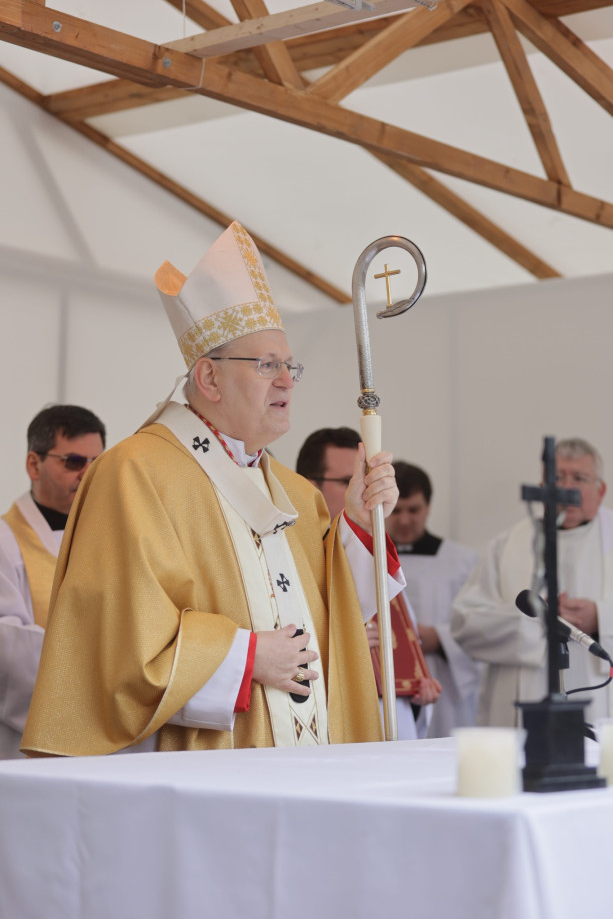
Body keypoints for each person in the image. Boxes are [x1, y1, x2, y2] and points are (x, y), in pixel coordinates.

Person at [22, 222, 402, 757]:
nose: (287, 380)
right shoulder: (134, 472)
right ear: (208, 379)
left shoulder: (296, 493)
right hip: (204, 763)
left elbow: (335, 619)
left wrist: (360, 520)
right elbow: (114, 648)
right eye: (267, 365)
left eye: (289, 365)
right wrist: (245, 658)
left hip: (308, 760)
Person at [451, 437, 613, 728]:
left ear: (601, 490)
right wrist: (537, 620)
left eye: (579, 478)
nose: (567, 488)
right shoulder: (506, 544)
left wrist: (601, 618)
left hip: (601, 702)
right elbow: (465, 624)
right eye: (558, 478)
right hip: (522, 703)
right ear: (542, 488)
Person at [297, 428, 441, 739]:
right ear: (311, 486)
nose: (362, 490)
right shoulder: (296, 556)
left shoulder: (373, 555)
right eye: (348, 481)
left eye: (366, 479)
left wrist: (418, 693)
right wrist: (345, 642)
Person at [0, 405, 106, 759]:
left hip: (108, 733)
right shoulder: (5, 541)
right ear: (34, 464)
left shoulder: (115, 537)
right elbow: (10, 650)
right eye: (74, 462)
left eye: (96, 463)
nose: (87, 474)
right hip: (28, 740)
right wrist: (103, 669)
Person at [385, 462, 480, 737]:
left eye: (413, 510)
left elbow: (480, 626)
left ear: (428, 507)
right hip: (387, 683)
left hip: (445, 685)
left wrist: (440, 638)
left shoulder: (461, 561)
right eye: (396, 510)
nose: (404, 520)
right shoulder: (366, 558)